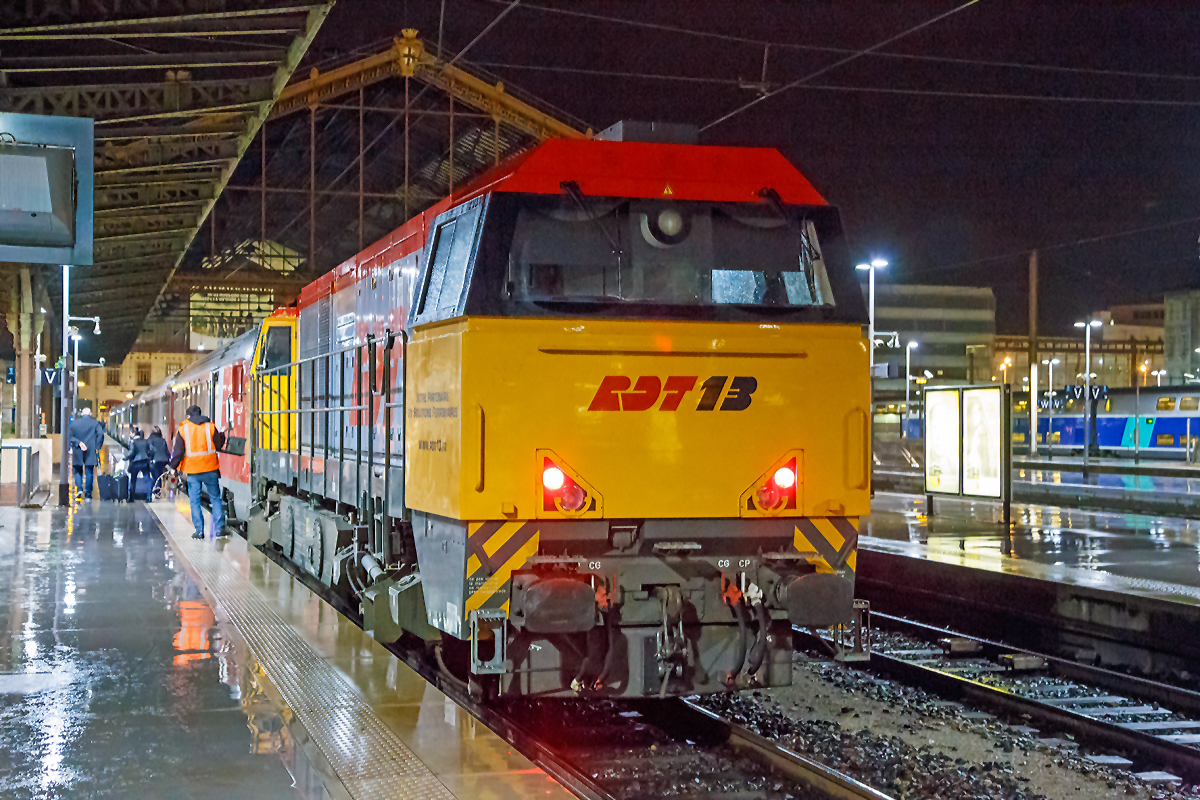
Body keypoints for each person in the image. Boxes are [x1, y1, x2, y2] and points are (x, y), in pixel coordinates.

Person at [170, 405, 227, 540]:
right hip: (210, 469)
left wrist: (173, 467)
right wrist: (222, 435)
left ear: (189, 416)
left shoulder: (184, 429)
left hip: (193, 471)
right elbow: (218, 445)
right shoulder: (210, 427)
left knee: (195, 501)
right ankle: (219, 529)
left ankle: (199, 531)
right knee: (215, 498)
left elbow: (178, 452)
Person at [69, 407, 105, 500]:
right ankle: (88, 494)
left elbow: (69, 436)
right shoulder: (95, 423)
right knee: (89, 472)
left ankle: (79, 489)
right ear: (90, 414)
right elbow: (100, 434)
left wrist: (78, 443)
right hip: (91, 450)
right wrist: (97, 447)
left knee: (78, 470)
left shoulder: (74, 423)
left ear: (81, 414)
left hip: (78, 450)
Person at [125, 429, 152, 502]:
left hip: (135, 463)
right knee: (147, 480)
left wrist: (126, 458)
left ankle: (131, 498)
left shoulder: (133, 442)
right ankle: (149, 497)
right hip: (145, 462)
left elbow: (132, 453)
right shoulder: (146, 442)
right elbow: (150, 451)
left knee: (133, 480)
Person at [148, 426, 171, 496]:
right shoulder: (163, 440)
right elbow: (167, 452)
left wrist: (150, 459)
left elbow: (150, 451)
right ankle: (156, 491)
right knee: (159, 476)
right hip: (163, 461)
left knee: (155, 476)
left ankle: (156, 492)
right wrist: (168, 460)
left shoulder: (150, 440)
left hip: (155, 461)